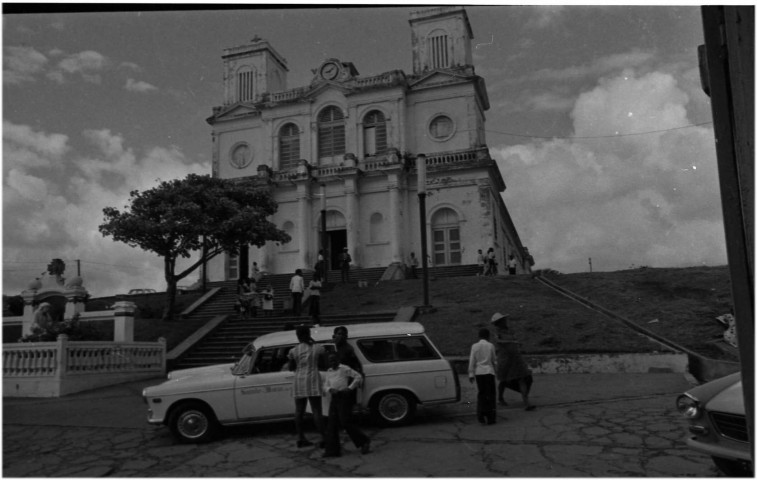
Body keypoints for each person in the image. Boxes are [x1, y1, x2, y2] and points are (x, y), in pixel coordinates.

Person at [322, 352, 371, 457]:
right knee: (331, 424)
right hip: (334, 397)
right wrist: (330, 389)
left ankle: (363, 441)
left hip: (344, 397)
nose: (333, 362)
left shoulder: (344, 369)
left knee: (345, 422)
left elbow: (358, 377)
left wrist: (349, 388)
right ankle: (332, 450)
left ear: (338, 360)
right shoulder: (329, 371)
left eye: (334, 360)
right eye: (330, 360)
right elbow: (325, 385)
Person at [287, 325, 326, 448]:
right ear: (309, 334)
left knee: (299, 411)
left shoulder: (293, 351)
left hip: (299, 380)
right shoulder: (317, 348)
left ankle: (301, 438)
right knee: (316, 411)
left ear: (298, 336)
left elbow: (291, 367)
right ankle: (324, 438)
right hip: (313, 379)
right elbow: (323, 364)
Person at [491, 312, 534, 411]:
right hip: (505, 359)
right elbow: (498, 341)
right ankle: (500, 398)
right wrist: (512, 342)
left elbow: (515, 341)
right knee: (503, 380)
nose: (505, 322)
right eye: (503, 320)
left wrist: (517, 345)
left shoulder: (509, 331)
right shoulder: (497, 332)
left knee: (522, 378)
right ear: (499, 323)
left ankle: (526, 402)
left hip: (515, 358)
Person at [468, 327, 497, 425]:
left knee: (481, 394)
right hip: (489, 371)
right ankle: (491, 417)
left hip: (479, 372)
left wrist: (471, 374)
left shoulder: (474, 346)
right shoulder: (491, 346)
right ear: (488, 336)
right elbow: (494, 360)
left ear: (479, 336)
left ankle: (481, 414)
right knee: (491, 395)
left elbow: (472, 361)